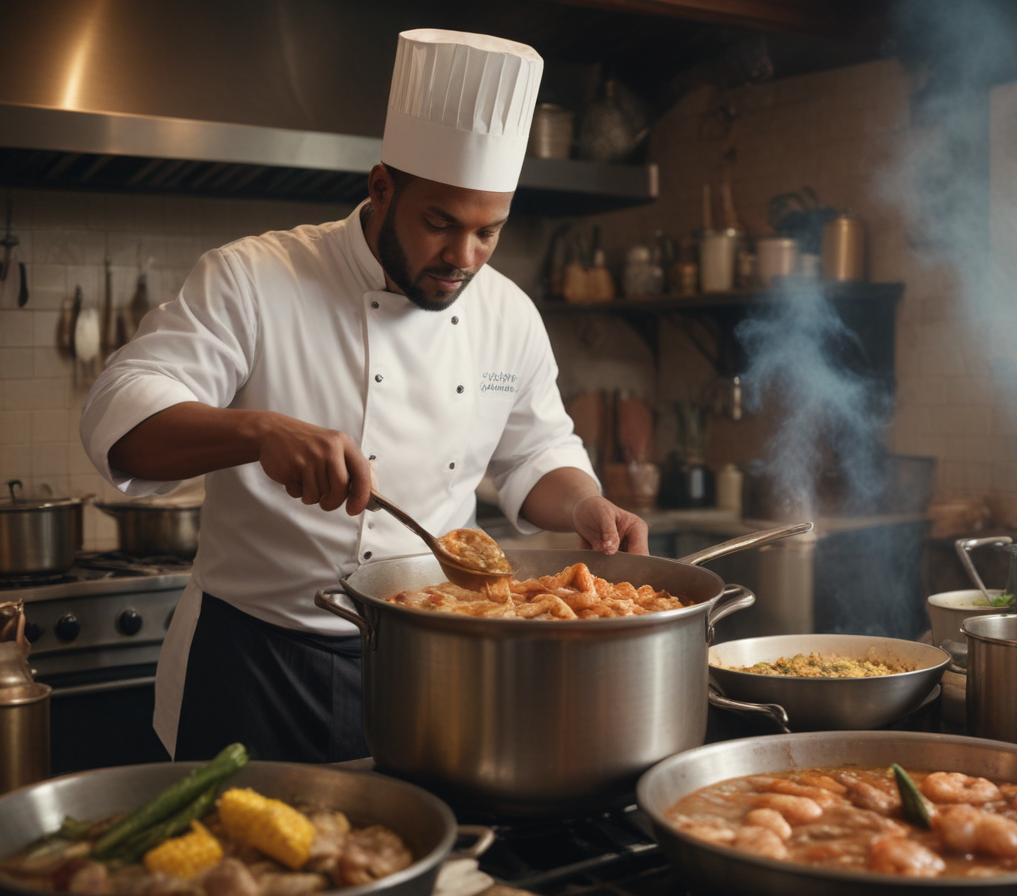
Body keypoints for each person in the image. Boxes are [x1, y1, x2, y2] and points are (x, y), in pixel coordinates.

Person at [80, 28, 648, 764]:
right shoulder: (255, 277)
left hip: (432, 656)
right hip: (254, 659)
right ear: (381, 188)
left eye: (489, 232)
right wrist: (258, 432)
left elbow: (535, 452)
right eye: (440, 224)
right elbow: (121, 411)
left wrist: (582, 505)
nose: (464, 260)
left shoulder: (507, 312)